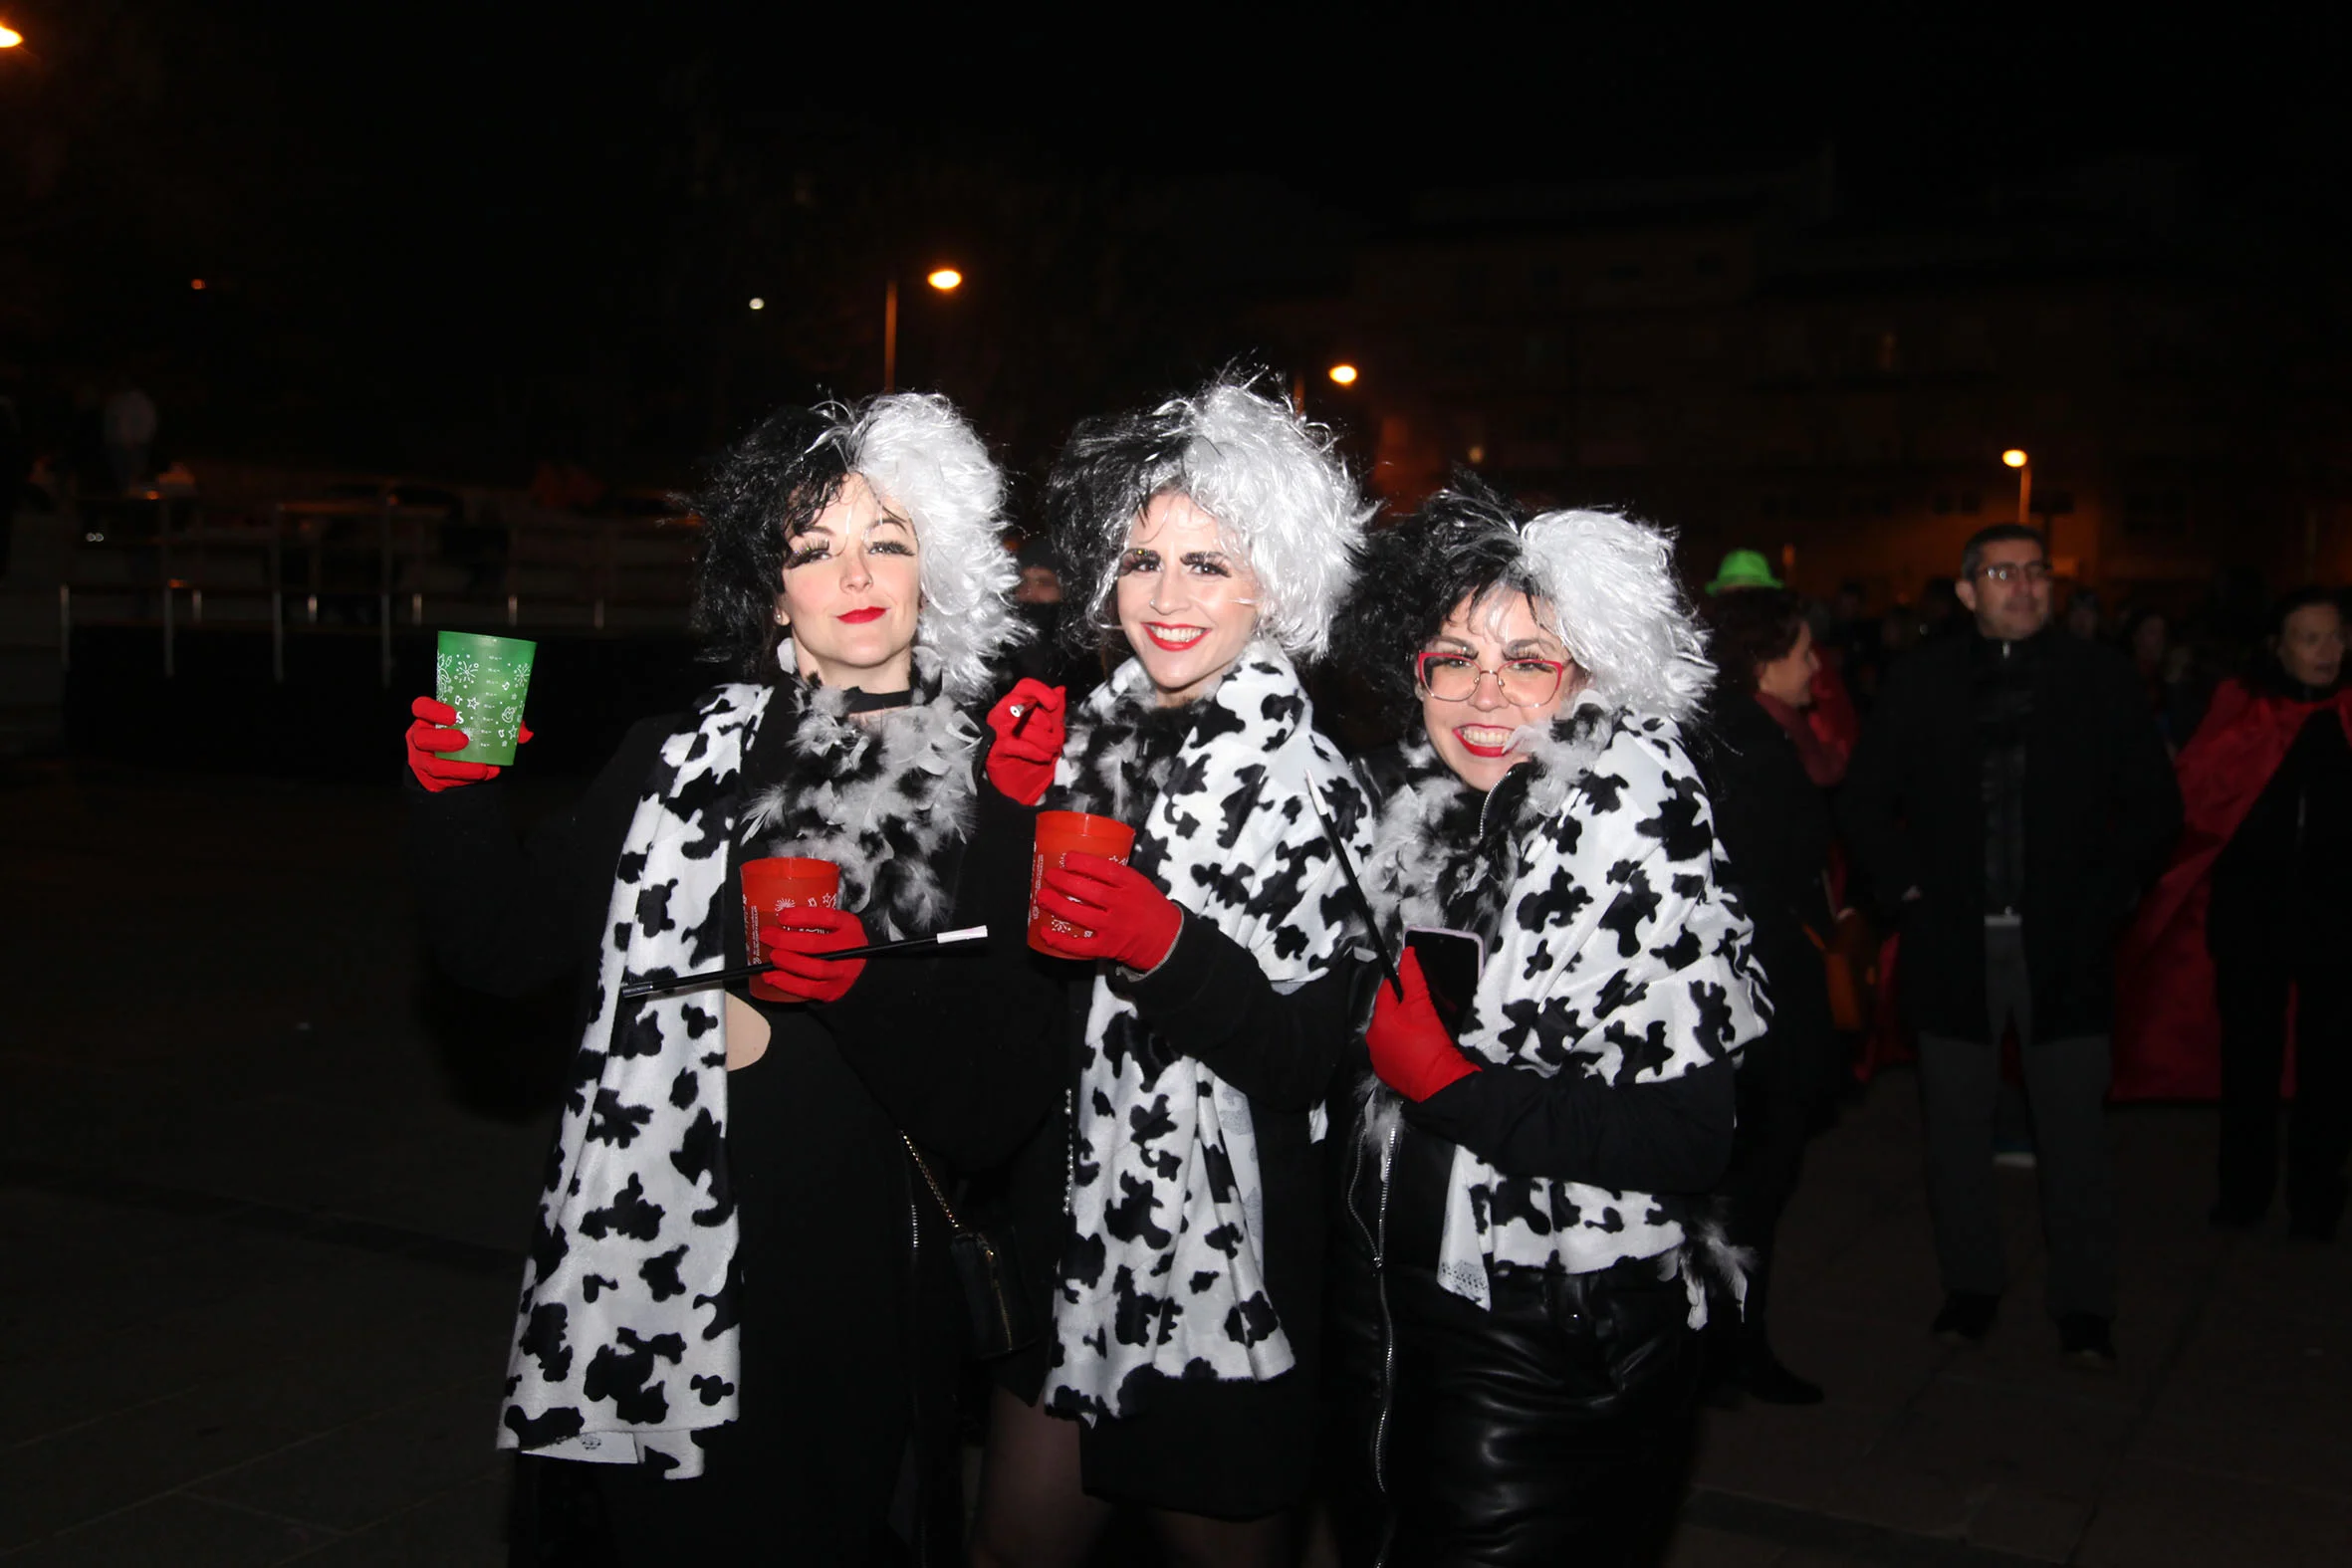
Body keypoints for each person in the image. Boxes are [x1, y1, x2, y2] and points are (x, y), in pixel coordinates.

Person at [404, 393, 1061, 1563]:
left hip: (848, 1289)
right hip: (644, 1275)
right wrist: (457, 797)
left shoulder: (990, 792)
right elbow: (498, 952)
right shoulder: (666, 760)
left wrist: (854, 985)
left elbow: (995, 1104)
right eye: (813, 548)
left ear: (937, 570)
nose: (853, 573)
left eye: (888, 540)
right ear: (772, 591)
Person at [968, 375, 1375, 1568]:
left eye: (1208, 564)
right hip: (1071, 1230)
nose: (1168, 597)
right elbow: (1019, 987)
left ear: (1275, 582)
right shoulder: (1087, 738)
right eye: (1144, 563)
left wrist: (1162, 944)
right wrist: (1003, 819)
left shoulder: (1312, 786)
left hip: (1221, 1257)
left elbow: (1307, 1062)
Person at [1327, 480, 1767, 1565]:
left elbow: (1688, 1134)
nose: (1485, 694)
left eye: (1528, 661)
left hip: (1545, 1338)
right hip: (1393, 1318)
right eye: (1453, 659)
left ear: (1589, 679)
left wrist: (1450, 1086)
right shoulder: (1414, 809)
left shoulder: (1634, 836)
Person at [1838, 524, 2180, 1368]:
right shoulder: (1922, 681)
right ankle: (1972, 1287)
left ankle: (2085, 1306)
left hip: (2064, 945)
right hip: (1954, 943)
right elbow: (1864, 800)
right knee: (1955, 1129)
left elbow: (2153, 808)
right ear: (1966, 590)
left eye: (2036, 572)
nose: (2023, 587)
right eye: (2001, 572)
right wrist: (1909, 890)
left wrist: (2108, 896)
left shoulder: (2099, 678)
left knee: (2074, 1134)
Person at [2114, 588, 2352, 1237]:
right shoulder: (2243, 712)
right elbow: (2194, 796)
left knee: (2329, 1067)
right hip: (2253, 919)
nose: (2328, 651)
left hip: (2336, 924)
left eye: (2336, 636)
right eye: (2311, 638)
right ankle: (2243, 1192)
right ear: (2279, 647)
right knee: (2249, 1060)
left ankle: (2316, 1199)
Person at [1696, 584, 1840, 1404]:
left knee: (1743, 1185)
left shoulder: (1749, 735)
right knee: (1751, 1186)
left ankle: (1729, 1343)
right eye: (1804, 650)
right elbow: (1777, 864)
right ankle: (1732, 1349)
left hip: (1752, 991)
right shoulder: (1754, 744)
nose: (1815, 665)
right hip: (1759, 997)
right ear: (1762, 660)